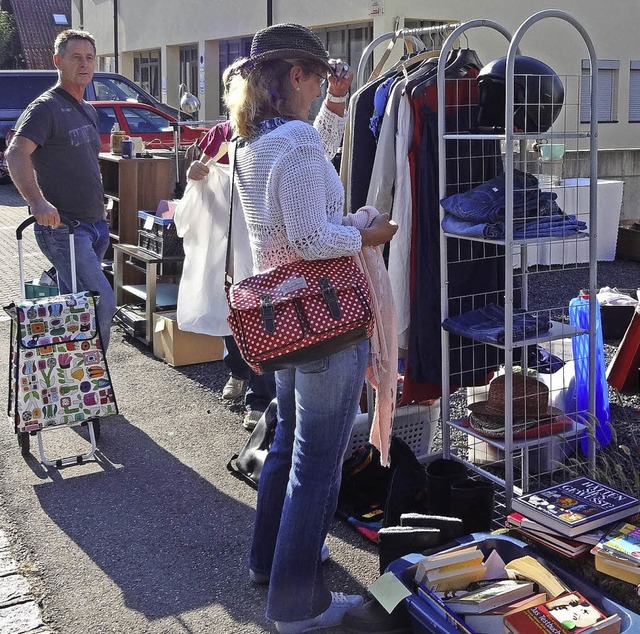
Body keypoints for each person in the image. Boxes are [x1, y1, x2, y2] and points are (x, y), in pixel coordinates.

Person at [223, 23, 398, 634]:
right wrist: (368, 234)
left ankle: (268, 564)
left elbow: (307, 167)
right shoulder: (292, 141)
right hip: (325, 314)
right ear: (293, 76)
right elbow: (311, 236)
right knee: (315, 465)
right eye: (319, 76)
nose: (323, 82)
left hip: (286, 314)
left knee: (288, 448)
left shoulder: (251, 140)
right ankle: (297, 608)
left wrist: (334, 107)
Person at [5, 29, 116, 351]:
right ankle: (94, 376)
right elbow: (15, 153)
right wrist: (37, 202)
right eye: (75, 57)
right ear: (58, 61)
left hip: (94, 225)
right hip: (63, 230)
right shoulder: (45, 108)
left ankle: (68, 377)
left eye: (89, 58)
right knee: (101, 303)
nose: (84, 64)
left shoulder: (88, 108)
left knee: (75, 305)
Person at [186, 66, 276, 431]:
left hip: (261, 243)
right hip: (226, 246)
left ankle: (259, 396)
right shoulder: (220, 135)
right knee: (230, 310)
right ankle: (237, 372)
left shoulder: (270, 132)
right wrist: (197, 174)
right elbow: (196, 184)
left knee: (259, 315)